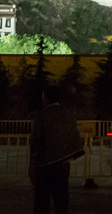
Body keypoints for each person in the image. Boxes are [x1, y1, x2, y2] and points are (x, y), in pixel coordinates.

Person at [29, 84, 85, 214]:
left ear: (47, 98)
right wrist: (69, 156)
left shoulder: (41, 116)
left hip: (44, 166)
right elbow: (75, 138)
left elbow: (36, 140)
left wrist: (32, 162)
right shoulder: (69, 115)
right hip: (63, 165)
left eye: (43, 97)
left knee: (42, 201)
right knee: (61, 200)